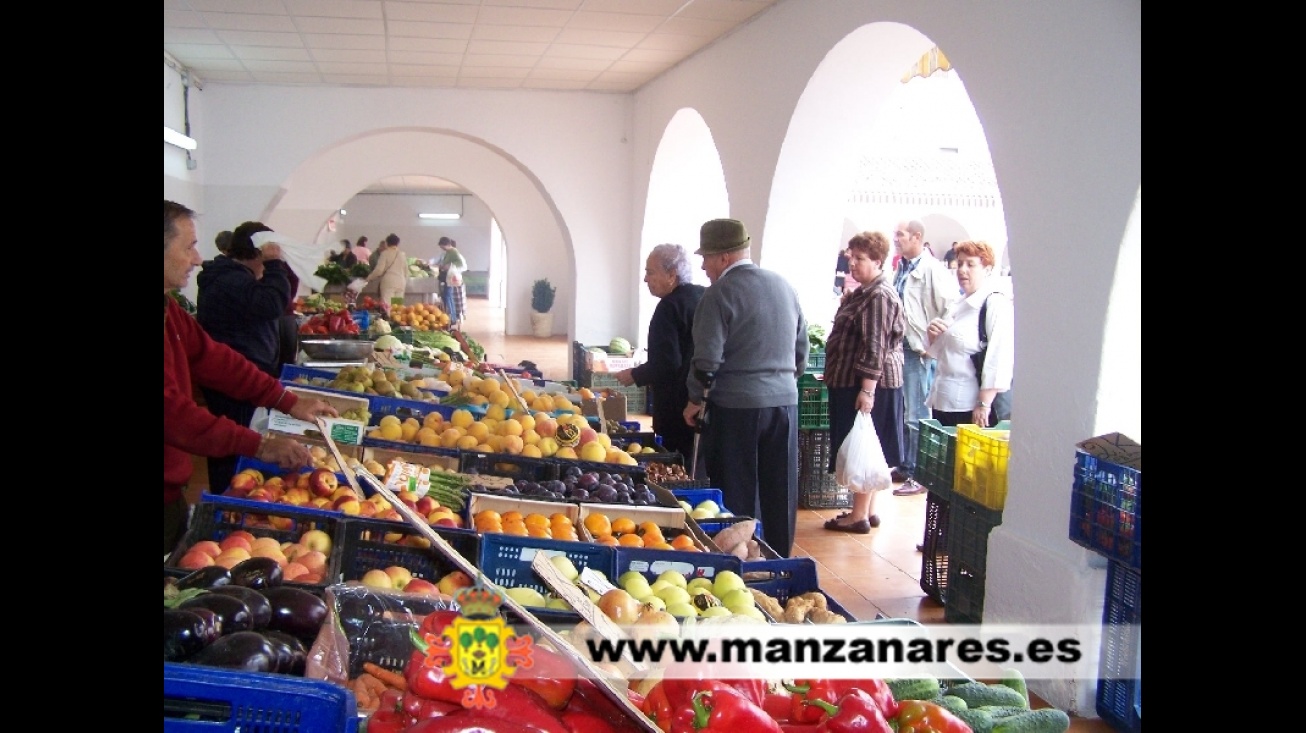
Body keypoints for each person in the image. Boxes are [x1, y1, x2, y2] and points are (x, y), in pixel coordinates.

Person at [165, 200, 338, 554]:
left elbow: (217, 360)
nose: (197, 258)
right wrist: (258, 445)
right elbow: (173, 413)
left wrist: (287, 401)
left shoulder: (170, 311)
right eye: (188, 246)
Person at [682, 219, 808, 557]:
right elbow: (801, 350)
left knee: (737, 491)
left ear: (724, 257)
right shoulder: (784, 286)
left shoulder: (719, 294)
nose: (704, 265)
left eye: (706, 257)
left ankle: (742, 563)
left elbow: (707, 359)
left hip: (736, 407)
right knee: (779, 489)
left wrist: (695, 399)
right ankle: (780, 558)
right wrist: (781, 384)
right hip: (784, 404)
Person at [195, 220, 299, 497]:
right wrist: (275, 265)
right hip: (233, 381)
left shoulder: (236, 278)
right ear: (256, 253)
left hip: (241, 374)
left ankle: (230, 492)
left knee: (234, 438)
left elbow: (280, 296)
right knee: (232, 442)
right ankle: (227, 497)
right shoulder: (232, 280)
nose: (195, 257)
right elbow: (271, 304)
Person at [822, 231, 905, 533]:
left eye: (859, 259)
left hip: (866, 384)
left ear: (878, 261)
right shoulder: (866, 292)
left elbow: (875, 346)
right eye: (850, 258)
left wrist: (867, 391)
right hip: (856, 381)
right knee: (865, 445)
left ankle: (858, 515)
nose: (852, 264)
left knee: (862, 446)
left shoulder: (878, 296)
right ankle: (866, 510)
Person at [614, 244, 707, 461]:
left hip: (676, 408)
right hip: (703, 400)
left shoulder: (669, 308)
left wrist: (635, 375)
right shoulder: (703, 297)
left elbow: (667, 363)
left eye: (650, 272)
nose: (646, 279)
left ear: (671, 275)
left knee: (675, 464)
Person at [889, 219, 958, 497]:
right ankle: (906, 464)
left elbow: (949, 307)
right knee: (905, 410)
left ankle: (918, 472)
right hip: (901, 347)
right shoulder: (902, 267)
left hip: (918, 351)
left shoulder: (931, 270)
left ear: (917, 237)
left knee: (917, 412)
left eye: (901, 235)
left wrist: (933, 339)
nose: (896, 239)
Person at [924, 240, 1013, 429]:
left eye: (971, 264)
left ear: (987, 269)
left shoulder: (994, 303)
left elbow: (999, 356)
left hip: (968, 406)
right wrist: (933, 337)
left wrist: (984, 403)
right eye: (960, 263)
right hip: (943, 400)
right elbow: (941, 353)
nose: (962, 270)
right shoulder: (958, 304)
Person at [362, 233, 409, 309]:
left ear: (387, 243)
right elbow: (406, 272)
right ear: (398, 243)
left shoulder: (385, 254)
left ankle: (387, 320)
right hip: (401, 283)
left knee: (387, 307)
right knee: (397, 307)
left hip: (389, 283)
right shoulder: (402, 255)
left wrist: (369, 278)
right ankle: (396, 320)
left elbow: (379, 270)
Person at [437, 237, 468, 328]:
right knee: (447, 296)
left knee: (448, 296)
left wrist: (450, 266)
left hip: (450, 278)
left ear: (446, 244)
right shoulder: (448, 252)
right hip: (447, 278)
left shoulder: (454, 252)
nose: (442, 248)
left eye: (442, 246)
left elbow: (462, 264)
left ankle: (453, 317)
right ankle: (452, 317)